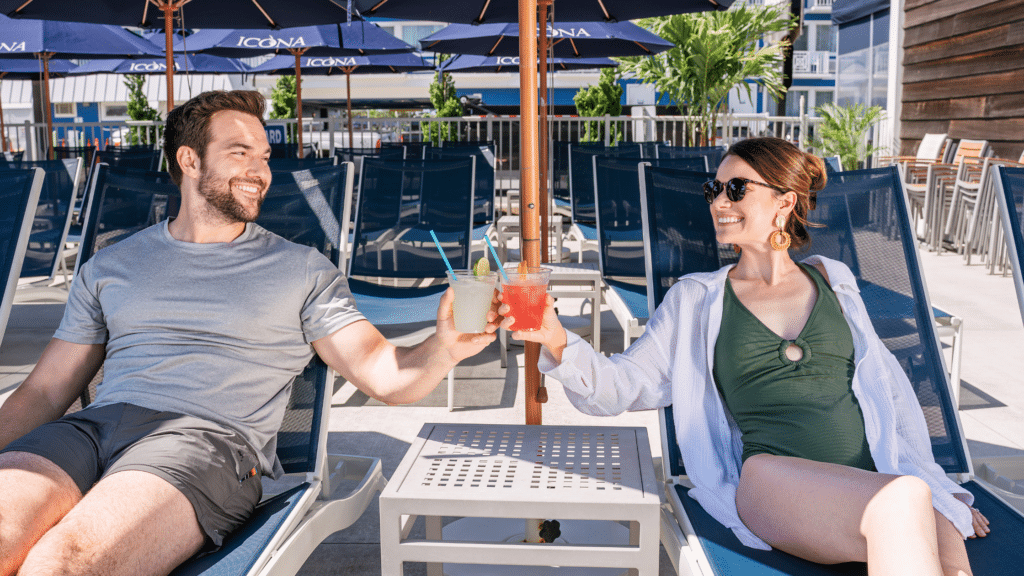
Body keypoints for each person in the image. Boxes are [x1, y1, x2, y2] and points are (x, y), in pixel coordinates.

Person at [0, 90, 505, 576]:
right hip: (91, 430)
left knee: (60, 563)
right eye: (240, 153)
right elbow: (46, 390)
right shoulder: (110, 264)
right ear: (189, 160)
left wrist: (444, 347)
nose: (260, 172)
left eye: (263, 156)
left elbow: (383, 373)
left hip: (204, 446)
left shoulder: (303, 270)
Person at [508, 137, 989, 576]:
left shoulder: (834, 280)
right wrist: (556, 338)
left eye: (736, 189)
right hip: (773, 485)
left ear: (785, 202)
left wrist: (938, 486)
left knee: (933, 525)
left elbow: (889, 389)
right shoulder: (697, 300)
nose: (719, 202)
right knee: (907, 501)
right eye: (713, 190)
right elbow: (620, 387)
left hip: (871, 484)